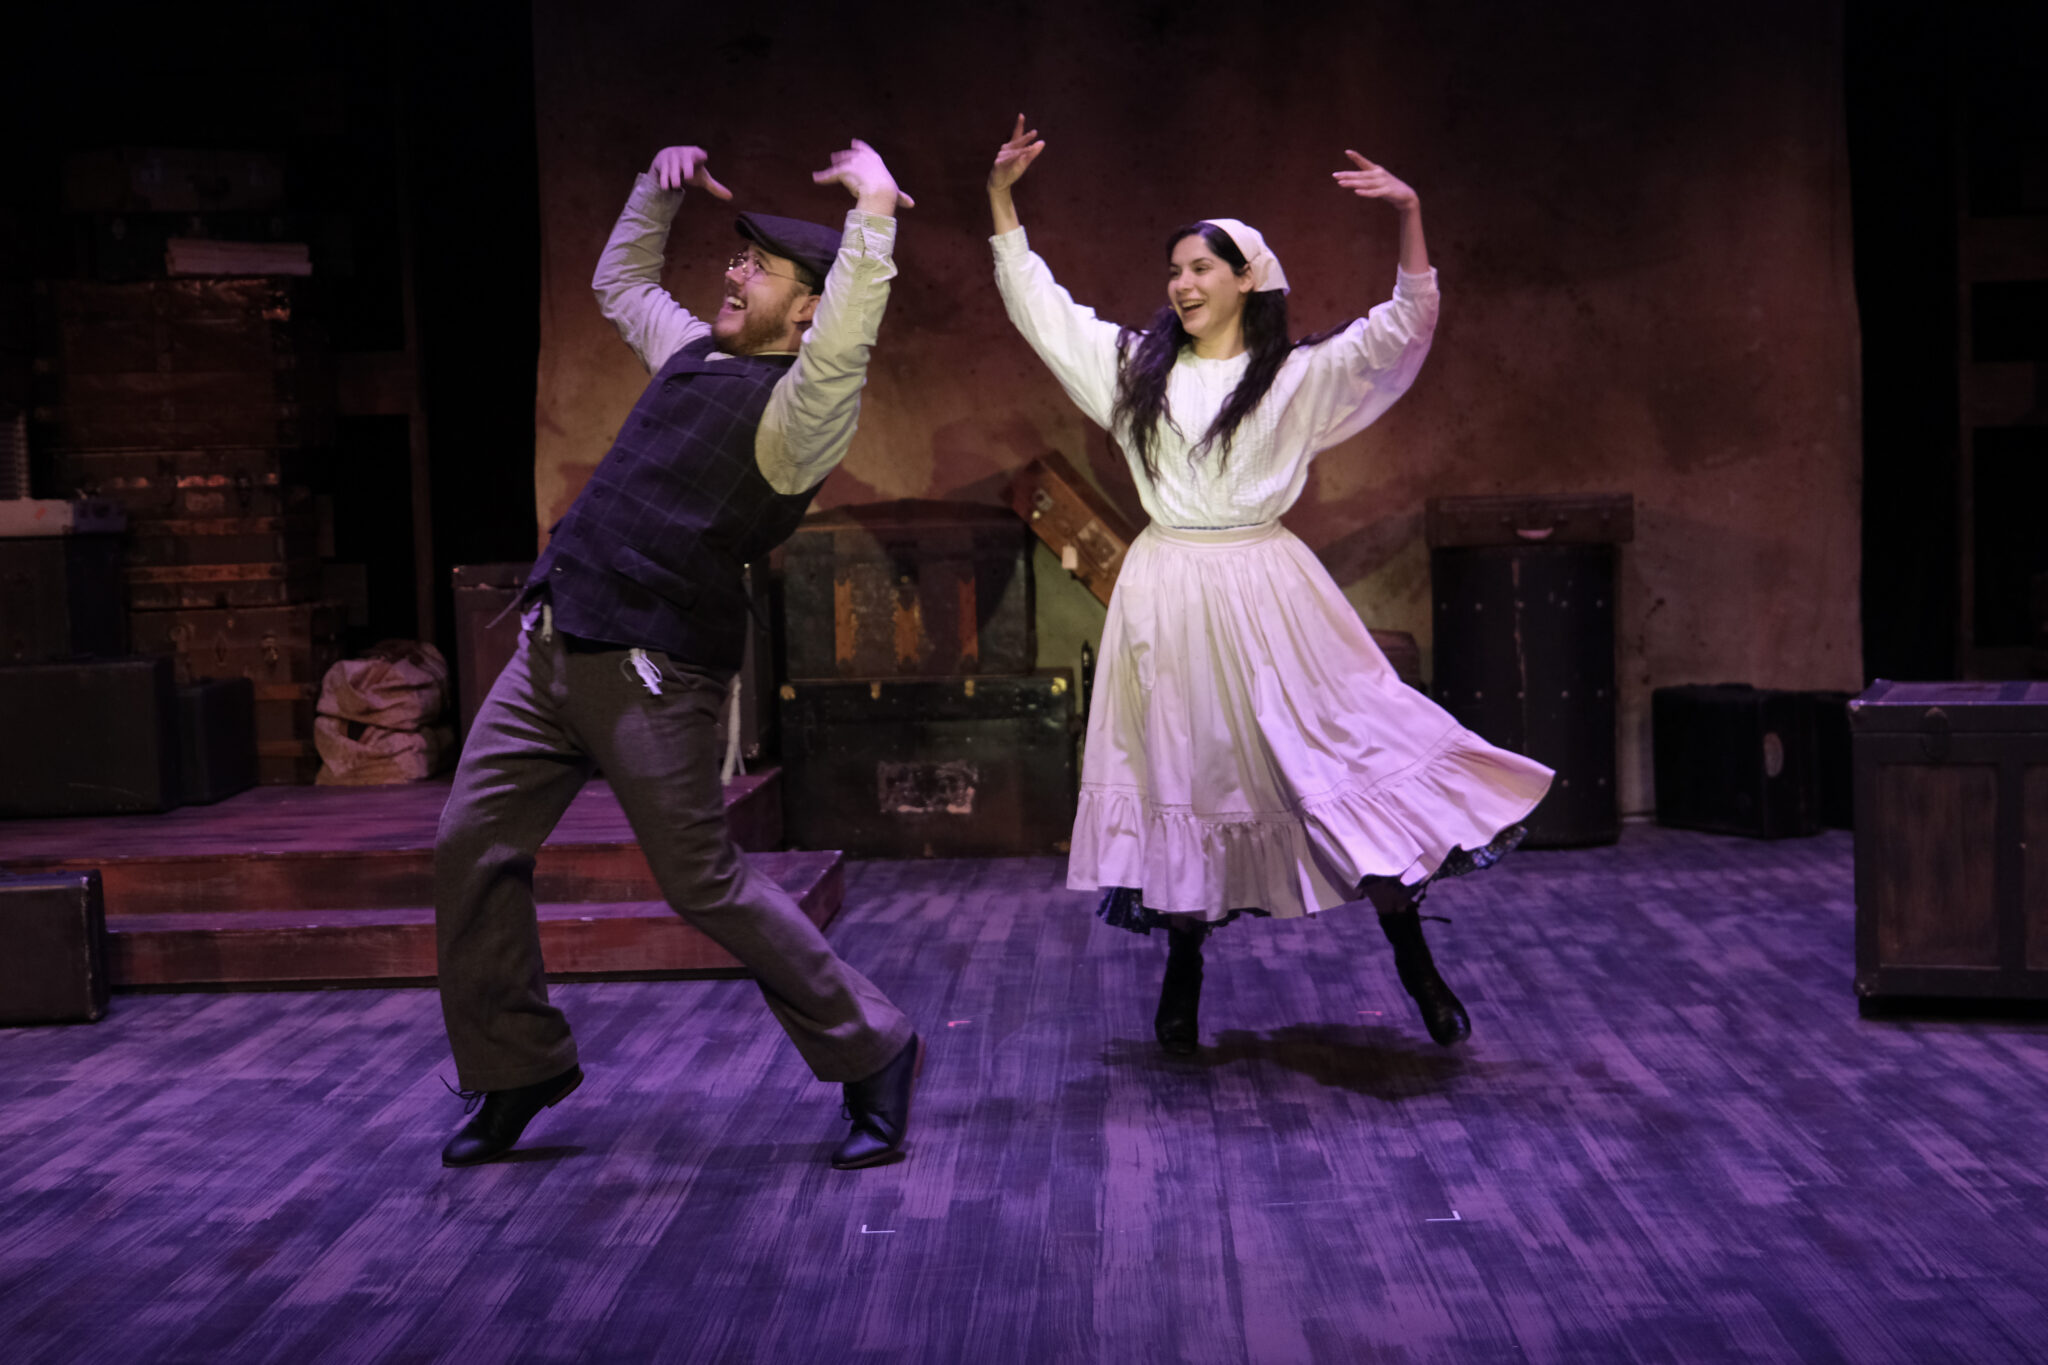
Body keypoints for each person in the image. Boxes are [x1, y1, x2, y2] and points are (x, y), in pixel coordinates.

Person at [986, 115, 1553, 1055]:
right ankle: (1184, 965)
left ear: (1247, 278)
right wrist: (1002, 201)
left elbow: (1401, 329)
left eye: (1201, 268)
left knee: (1337, 765)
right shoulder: (1134, 371)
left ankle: (1416, 962)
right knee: (1185, 775)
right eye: (1174, 270)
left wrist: (1409, 214)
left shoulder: (1294, 378)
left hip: (1270, 592)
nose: (1182, 284)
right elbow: (1040, 307)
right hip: (1169, 594)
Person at [434, 138, 921, 1169]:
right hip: (553, 644)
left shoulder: (801, 411)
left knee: (701, 882)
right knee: (470, 845)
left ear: (808, 308)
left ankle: (873, 1045)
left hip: (649, 672)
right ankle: (515, 1065)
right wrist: (652, 194)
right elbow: (620, 286)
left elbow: (845, 344)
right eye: (735, 258)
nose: (732, 273)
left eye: (758, 268)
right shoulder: (694, 351)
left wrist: (873, 213)